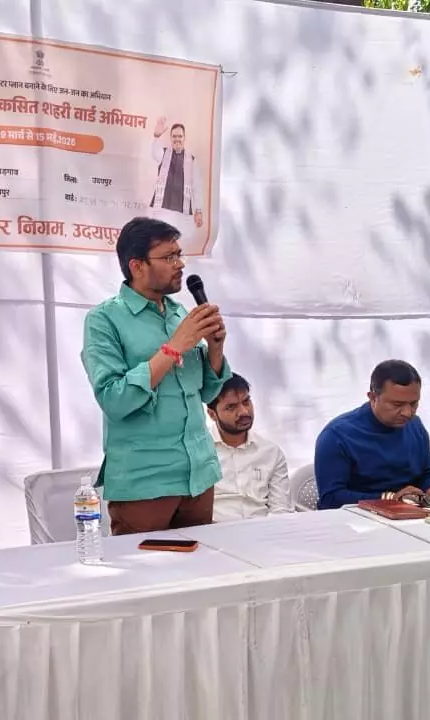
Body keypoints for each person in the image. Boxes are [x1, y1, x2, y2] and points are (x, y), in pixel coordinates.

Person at [81, 216, 232, 535]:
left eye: (179, 254)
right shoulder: (104, 320)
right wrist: (174, 347)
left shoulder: (179, 313)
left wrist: (215, 349)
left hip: (198, 475)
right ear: (137, 266)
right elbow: (114, 400)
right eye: (169, 257)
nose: (180, 264)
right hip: (145, 482)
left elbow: (207, 394)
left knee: (203, 564)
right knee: (145, 566)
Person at [314, 360, 430, 509]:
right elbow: (330, 498)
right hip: (355, 519)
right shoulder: (337, 436)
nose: (407, 413)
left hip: (410, 514)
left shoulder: (415, 426)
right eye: (397, 404)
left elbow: (428, 471)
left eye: (413, 404)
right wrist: (390, 499)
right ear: (373, 398)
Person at [207, 374, 292, 520]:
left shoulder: (270, 452)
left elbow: (281, 510)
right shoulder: (200, 452)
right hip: (213, 530)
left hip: (264, 530)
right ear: (212, 414)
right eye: (231, 407)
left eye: (246, 402)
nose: (244, 412)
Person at [147, 116, 204, 230]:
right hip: (162, 209)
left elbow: (196, 187)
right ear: (170, 138)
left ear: (184, 138)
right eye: (174, 136)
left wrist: (198, 210)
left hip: (181, 212)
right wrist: (156, 137)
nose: (177, 139)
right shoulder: (163, 154)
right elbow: (154, 153)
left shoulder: (192, 160)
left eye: (180, 136)